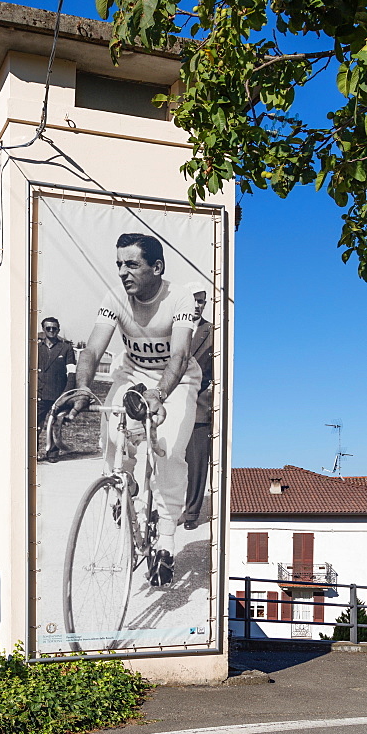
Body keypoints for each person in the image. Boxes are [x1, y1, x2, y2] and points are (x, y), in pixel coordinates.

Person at [57, 233, 200, 586]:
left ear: (157, 267)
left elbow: (180, 355)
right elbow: (91, 350)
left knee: (168, 450)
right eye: (119, 264)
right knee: (114, 437)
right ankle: (124, 488)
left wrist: (159, 394)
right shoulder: (114, 297)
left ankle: (166, 540)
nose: (122, 271)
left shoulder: (179, 297)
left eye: (132, 264)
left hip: (176, 381)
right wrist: (83, 387)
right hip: (131, 373)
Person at [182, 285, 213, 530]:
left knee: (197, 462)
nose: (197, 305)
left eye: (201, 302)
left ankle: (192, 513)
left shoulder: (212, 332)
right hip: (168, 404)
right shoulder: (170, 328)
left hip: (198, 405)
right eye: (193, 300)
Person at [37, 317, 76, 459]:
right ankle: (30, 454)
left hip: (58, 395)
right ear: (44, 329)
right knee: (34, 426)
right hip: (39, 394)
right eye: (48, 328)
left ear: (58, 329)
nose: (51, 331)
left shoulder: (66, 348)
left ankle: (52, 453)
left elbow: (71, 373)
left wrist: (67, 393)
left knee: (54, 425)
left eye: (54, 328)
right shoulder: (36, 348)